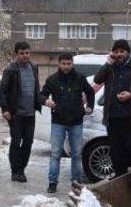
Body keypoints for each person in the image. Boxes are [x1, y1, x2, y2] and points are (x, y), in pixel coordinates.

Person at [94, 39, 131, 176]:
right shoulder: (110, 67)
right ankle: (121, 184)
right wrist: (108, 63)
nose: (119, 54)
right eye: (116, 51)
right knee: (116, 155)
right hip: (114, 120)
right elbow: (97, 79)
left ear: (128, 52)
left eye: (122, 51)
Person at [41, 53, 95, 193]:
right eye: (63, 63)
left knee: (76, 153)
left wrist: (89, 107)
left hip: (76, 121)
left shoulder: (80, 78)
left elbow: (90, 92)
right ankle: (52, 182)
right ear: (59, 64)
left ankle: (76, 182)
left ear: (72, 64)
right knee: (55, 153)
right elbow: (41, 95)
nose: (66, 66)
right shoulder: (52, 79)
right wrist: (46, 101)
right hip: (58, 121)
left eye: (68, 63)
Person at [0, 42, 45, 182]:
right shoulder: (11, 70)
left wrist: (41, 101)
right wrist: (5, 109)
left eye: (27, 53)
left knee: (28, 143)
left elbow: (36, 89)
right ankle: (15, 171)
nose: (25, 56)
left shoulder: (34, 68)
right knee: (16, 142)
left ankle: (22, 170)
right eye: (21, 53)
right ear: (16, 54)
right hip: (16, 114)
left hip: (30, 114)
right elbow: (3, 91)